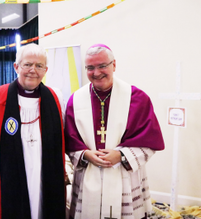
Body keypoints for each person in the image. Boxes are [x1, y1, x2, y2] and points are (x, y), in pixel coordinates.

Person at [65, 44, 165, 219]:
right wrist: (86, 154)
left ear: (114, 65)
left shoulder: (137, 98)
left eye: (102, 65)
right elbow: (69, 139)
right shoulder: (76, 100)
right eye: (90, 67)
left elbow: (150, 142)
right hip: (88, 174)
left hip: (124, 176)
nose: (96, 73)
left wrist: (121, 155)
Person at [0, 43, 66, 219]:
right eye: (27, 64)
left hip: (45, 177)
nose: (33, 70)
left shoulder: (56, 98)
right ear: (16, 67)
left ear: (45, 70)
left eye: (39, 66)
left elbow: (61, 137)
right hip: (8, 179)